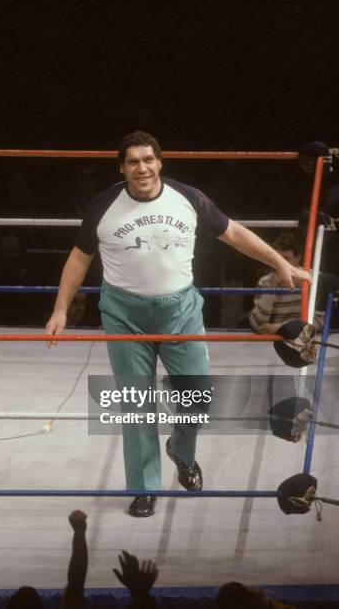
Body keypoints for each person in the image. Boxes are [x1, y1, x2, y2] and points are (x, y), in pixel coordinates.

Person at [45, 131, 310, 517]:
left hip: (180, 310)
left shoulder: (188, 197)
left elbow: (234, 233)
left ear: (160, 162)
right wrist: (60, 309)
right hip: (123, 314)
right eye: (133, 161)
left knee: (198, 398)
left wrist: (280, 263)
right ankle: (144, 487)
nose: (142, 168)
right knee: (137, 406)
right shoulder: (104, 206)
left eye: (148, 159)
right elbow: (79, 258)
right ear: (122, 168)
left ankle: (181, 452)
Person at [249, 233, 323, 334]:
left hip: (298, 337)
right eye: (277, 259)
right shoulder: (265, 281)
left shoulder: (314, 278)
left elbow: (320, 320)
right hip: (271, 340)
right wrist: (272, 290)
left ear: (298, 258)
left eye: (286, 259)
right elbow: (257, 324)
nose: (281, 264)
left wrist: (279, 328)